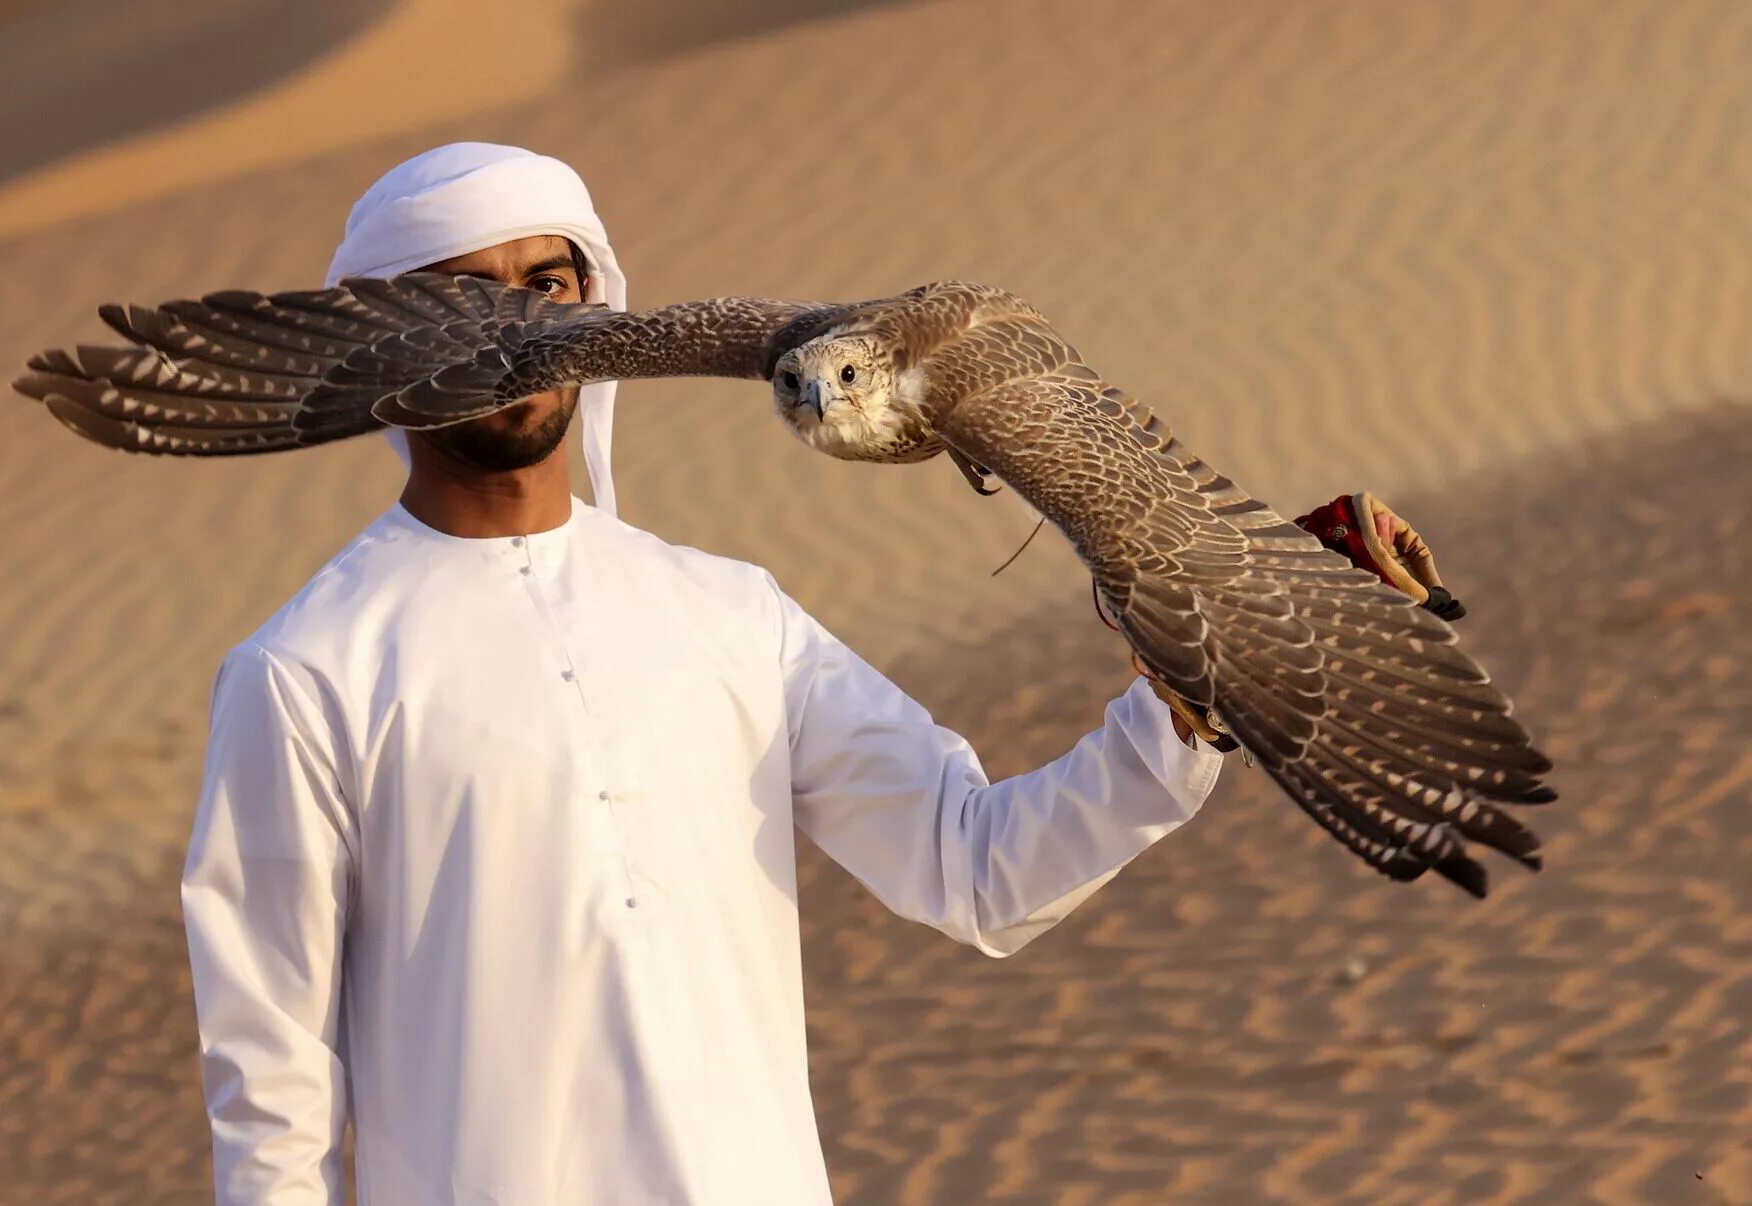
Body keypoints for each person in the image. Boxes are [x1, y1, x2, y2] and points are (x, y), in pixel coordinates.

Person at [178, 142, 1430, 1204]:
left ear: (598, 308)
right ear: (382, 337)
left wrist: (1200, 688)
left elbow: (977, 864)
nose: (515, 329)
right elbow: (273, 1089)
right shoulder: (306, 673)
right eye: (463, 297)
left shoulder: (726, 614)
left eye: (547, 285)